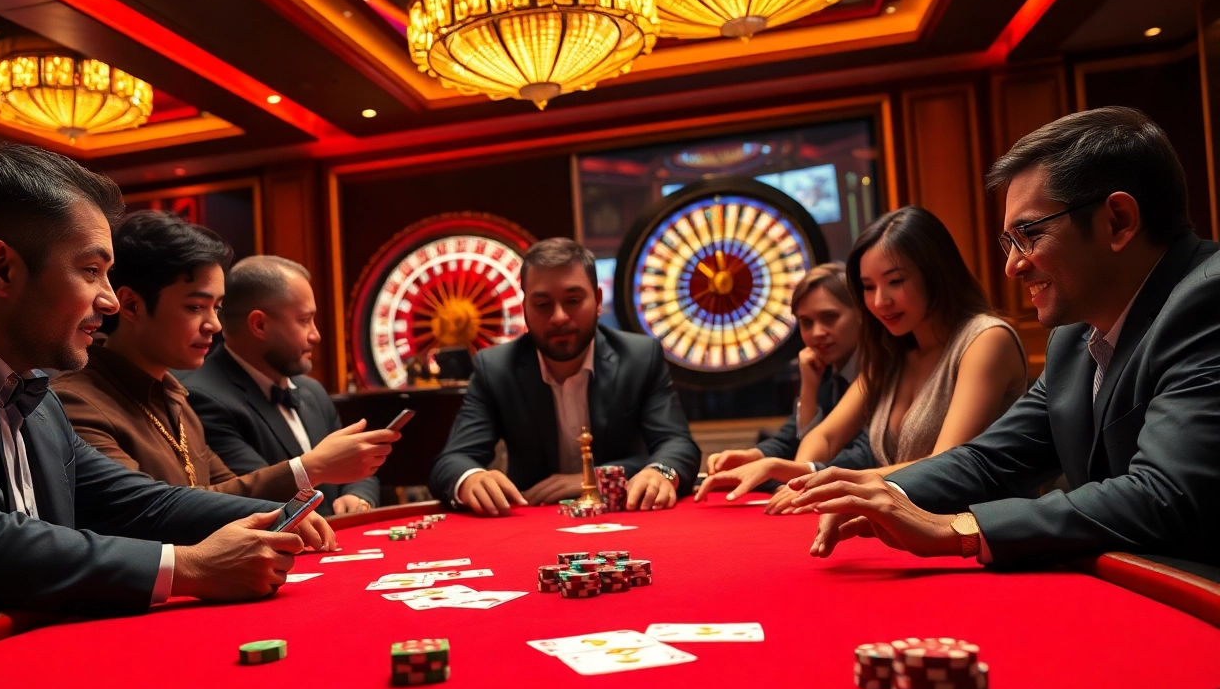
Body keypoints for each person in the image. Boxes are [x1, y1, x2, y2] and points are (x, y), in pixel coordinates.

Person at [0, 145, 333, 638]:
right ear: (1, 269)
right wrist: (188, 567)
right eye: (91, 271)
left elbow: (138, 503)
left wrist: (280, 517)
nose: (112, 300)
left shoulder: (35, 392)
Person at [789, 106, 1220, 568]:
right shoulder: (1073, 338)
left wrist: (959, 528)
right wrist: (883, 492)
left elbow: (1164, 496)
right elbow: (991, 459)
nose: (1013, 265)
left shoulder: (1207, 301)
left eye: (1029, 234)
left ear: (1117, 220)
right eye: (1008, 241)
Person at [697, 206, 1027, 512]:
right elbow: (824, 436)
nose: (880, 301)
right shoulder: (892, 353)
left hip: (981, 531)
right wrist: (798, 479)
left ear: (936, 273)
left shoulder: (985, 340)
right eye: (868, 287)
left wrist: (825, 481)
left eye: (895, 281)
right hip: (910, 525)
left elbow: (945, 464)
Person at [53, 211, 395, 503]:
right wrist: (310, 468)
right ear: (130, 305)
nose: (214, 325)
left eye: (216, 307)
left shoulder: (174, 397)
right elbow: (149, 509)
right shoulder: (77, 400)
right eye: (195, 307)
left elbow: (225, 496)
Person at [428, 237, 701, 516]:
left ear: (597, 299)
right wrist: (470, 478)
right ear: (525, 308)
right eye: (543, 304)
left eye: (572, 300)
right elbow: (453, 460)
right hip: (530, 522)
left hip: (621, 515)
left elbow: (677, 445)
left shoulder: (640, 357)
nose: (558, 317)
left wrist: (605, 477)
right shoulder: (495, 368)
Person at [184, 255, 385, 515]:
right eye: (304, 320)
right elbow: (262, 495)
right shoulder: (202, 397)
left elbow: (357, 468)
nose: (316, 335)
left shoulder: (312, 390)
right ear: (260, 324)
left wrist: (359, 497)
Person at [701, 263, 873, 491]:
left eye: (829, 318)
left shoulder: (882, 371)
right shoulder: (821, 367)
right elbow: (790, 437)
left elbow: (863, 457)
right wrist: (754, 456)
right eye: (806, 323)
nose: (817, 333)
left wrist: (785, 476)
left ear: (861, 314)